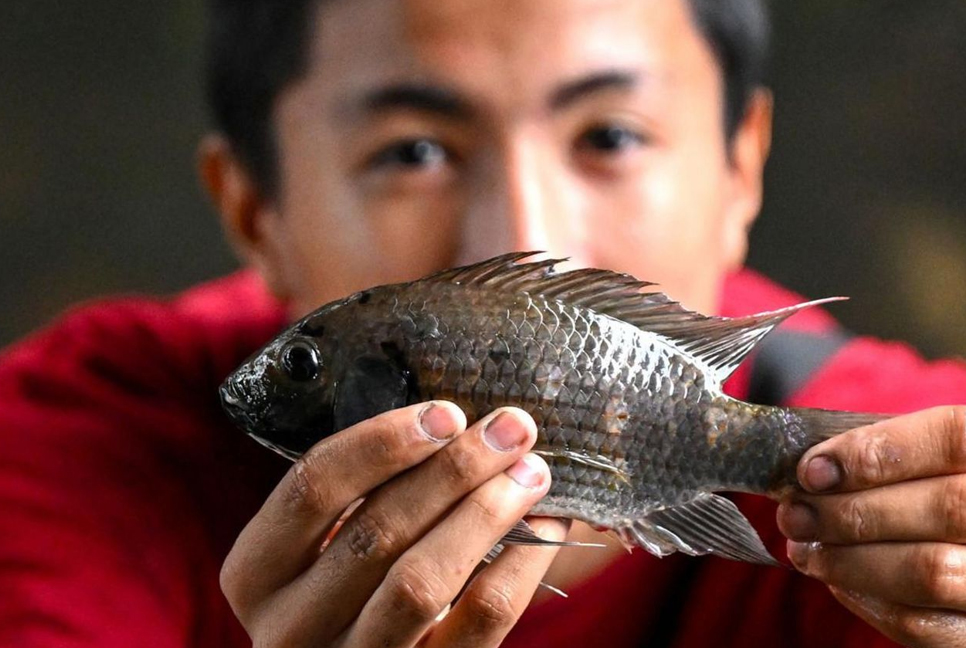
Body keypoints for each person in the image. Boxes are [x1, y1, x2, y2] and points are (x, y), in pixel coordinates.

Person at [2, 0, 966, 646]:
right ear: (255, 208)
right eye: (413, 150)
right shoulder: (68, 446)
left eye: (610, 136)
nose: (525, 232)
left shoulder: (918, 474)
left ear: (742, 166)